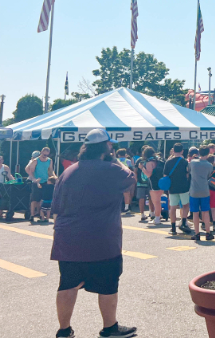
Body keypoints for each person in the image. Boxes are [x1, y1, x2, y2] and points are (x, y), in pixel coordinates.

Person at [51, 129, 137, 338]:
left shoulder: (69, 171)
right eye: (111, 145)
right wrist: (116, 159)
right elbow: (131, 178)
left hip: (68, 237)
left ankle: (64, 330)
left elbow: (56, 207)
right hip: (101, 238)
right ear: (106, 147)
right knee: (108, 284)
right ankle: (110, 327)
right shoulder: (111, 168)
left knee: (68, 283)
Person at [186, 147, 214, 241]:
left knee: (195, 213)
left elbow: (188, 171)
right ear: (208, 153)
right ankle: (208, 233)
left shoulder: (193, 163)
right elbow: (209, 176)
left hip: (194, 190)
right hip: (205, 190)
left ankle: (197, 233)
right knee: (205, 212)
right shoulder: (209, 165)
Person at [164, 143, 192, 236]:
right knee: (185, 205)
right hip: (184, 187)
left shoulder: (168, 162)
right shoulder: (185, 162)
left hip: (172, 187)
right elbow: (187, 174)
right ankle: (183, 222)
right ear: (182, 151)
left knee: (173, 207)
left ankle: (173, 227)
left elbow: (165, 175)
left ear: (173, 150)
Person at [26, 147, 54, 221]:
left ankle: (40, 214)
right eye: (44, 154)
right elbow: (29, 170)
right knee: (34, 199)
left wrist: (54, 176)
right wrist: (34, 179)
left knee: (42, 199)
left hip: (45, 181)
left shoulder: (49, 160)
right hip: (37, 181)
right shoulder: (36, 160)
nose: (45, 156)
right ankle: (32, 215)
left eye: (46, 155)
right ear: (41, 152)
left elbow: (50, 170)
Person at [134, 146, 151, 222]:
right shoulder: (150, 159)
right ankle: (152, 212)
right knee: (151, 198)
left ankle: (142, 214)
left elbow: (135, 170)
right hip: (150, 181)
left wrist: (136, 179)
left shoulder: (139, 160)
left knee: (141, 198)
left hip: (140, 182)